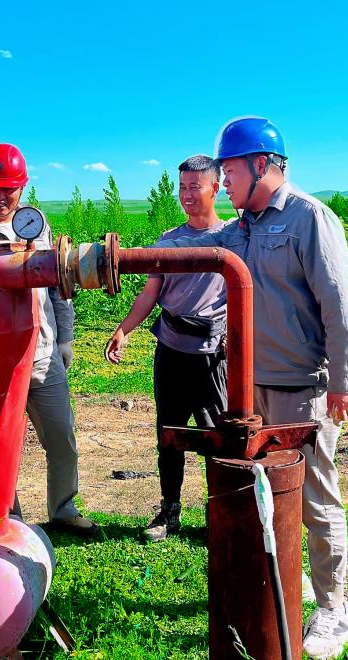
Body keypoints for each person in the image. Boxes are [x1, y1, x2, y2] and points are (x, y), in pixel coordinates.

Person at [155, 116, 348, 659]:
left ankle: (334, 610)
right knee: (261, 493)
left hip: (302, 388)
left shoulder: (309, 220)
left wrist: (344, 380)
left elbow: (340, 307)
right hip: (249, 391)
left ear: (262, 166)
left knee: (315, 494)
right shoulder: (241, 229)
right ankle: (274, 585)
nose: (223, 182)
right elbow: (198, 247)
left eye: (229, 170)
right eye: (220, 173)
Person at [0, 143, 99, 538]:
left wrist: (65, 338)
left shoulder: (37, 225)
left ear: (22, 188)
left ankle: (63, 508)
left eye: (9, 188)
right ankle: (10, 519)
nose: (1, 196)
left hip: (42, 351)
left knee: (61, 435)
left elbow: (59, 286)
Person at [104, 155, 229, 542]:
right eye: (182, 187)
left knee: (217, 437)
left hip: (212, 354)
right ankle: (169, 511)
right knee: (169, 434)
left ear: (216, 188)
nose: (187, 195)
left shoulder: (234, 238)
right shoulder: (168, 241)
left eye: (195, 186)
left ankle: (221, 513)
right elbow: (150, 293)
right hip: (172, 351)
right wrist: (125, 329)